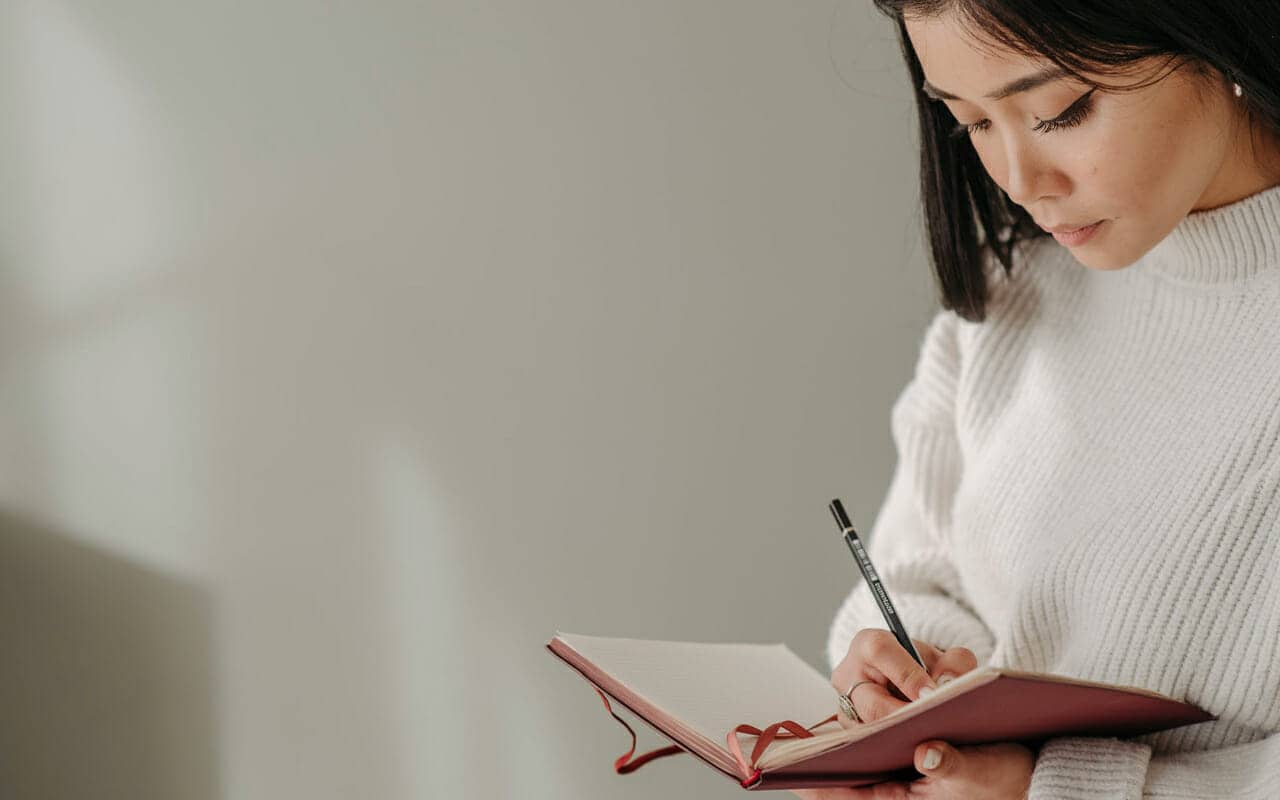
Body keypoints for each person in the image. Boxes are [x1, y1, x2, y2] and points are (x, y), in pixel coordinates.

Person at [799, 2, 1280, 799]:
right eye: (971, 125)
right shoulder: (1012, 299)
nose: (1021, 184)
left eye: (1059, 111)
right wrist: (910, 682)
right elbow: (920, 575)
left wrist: (1049, 789)